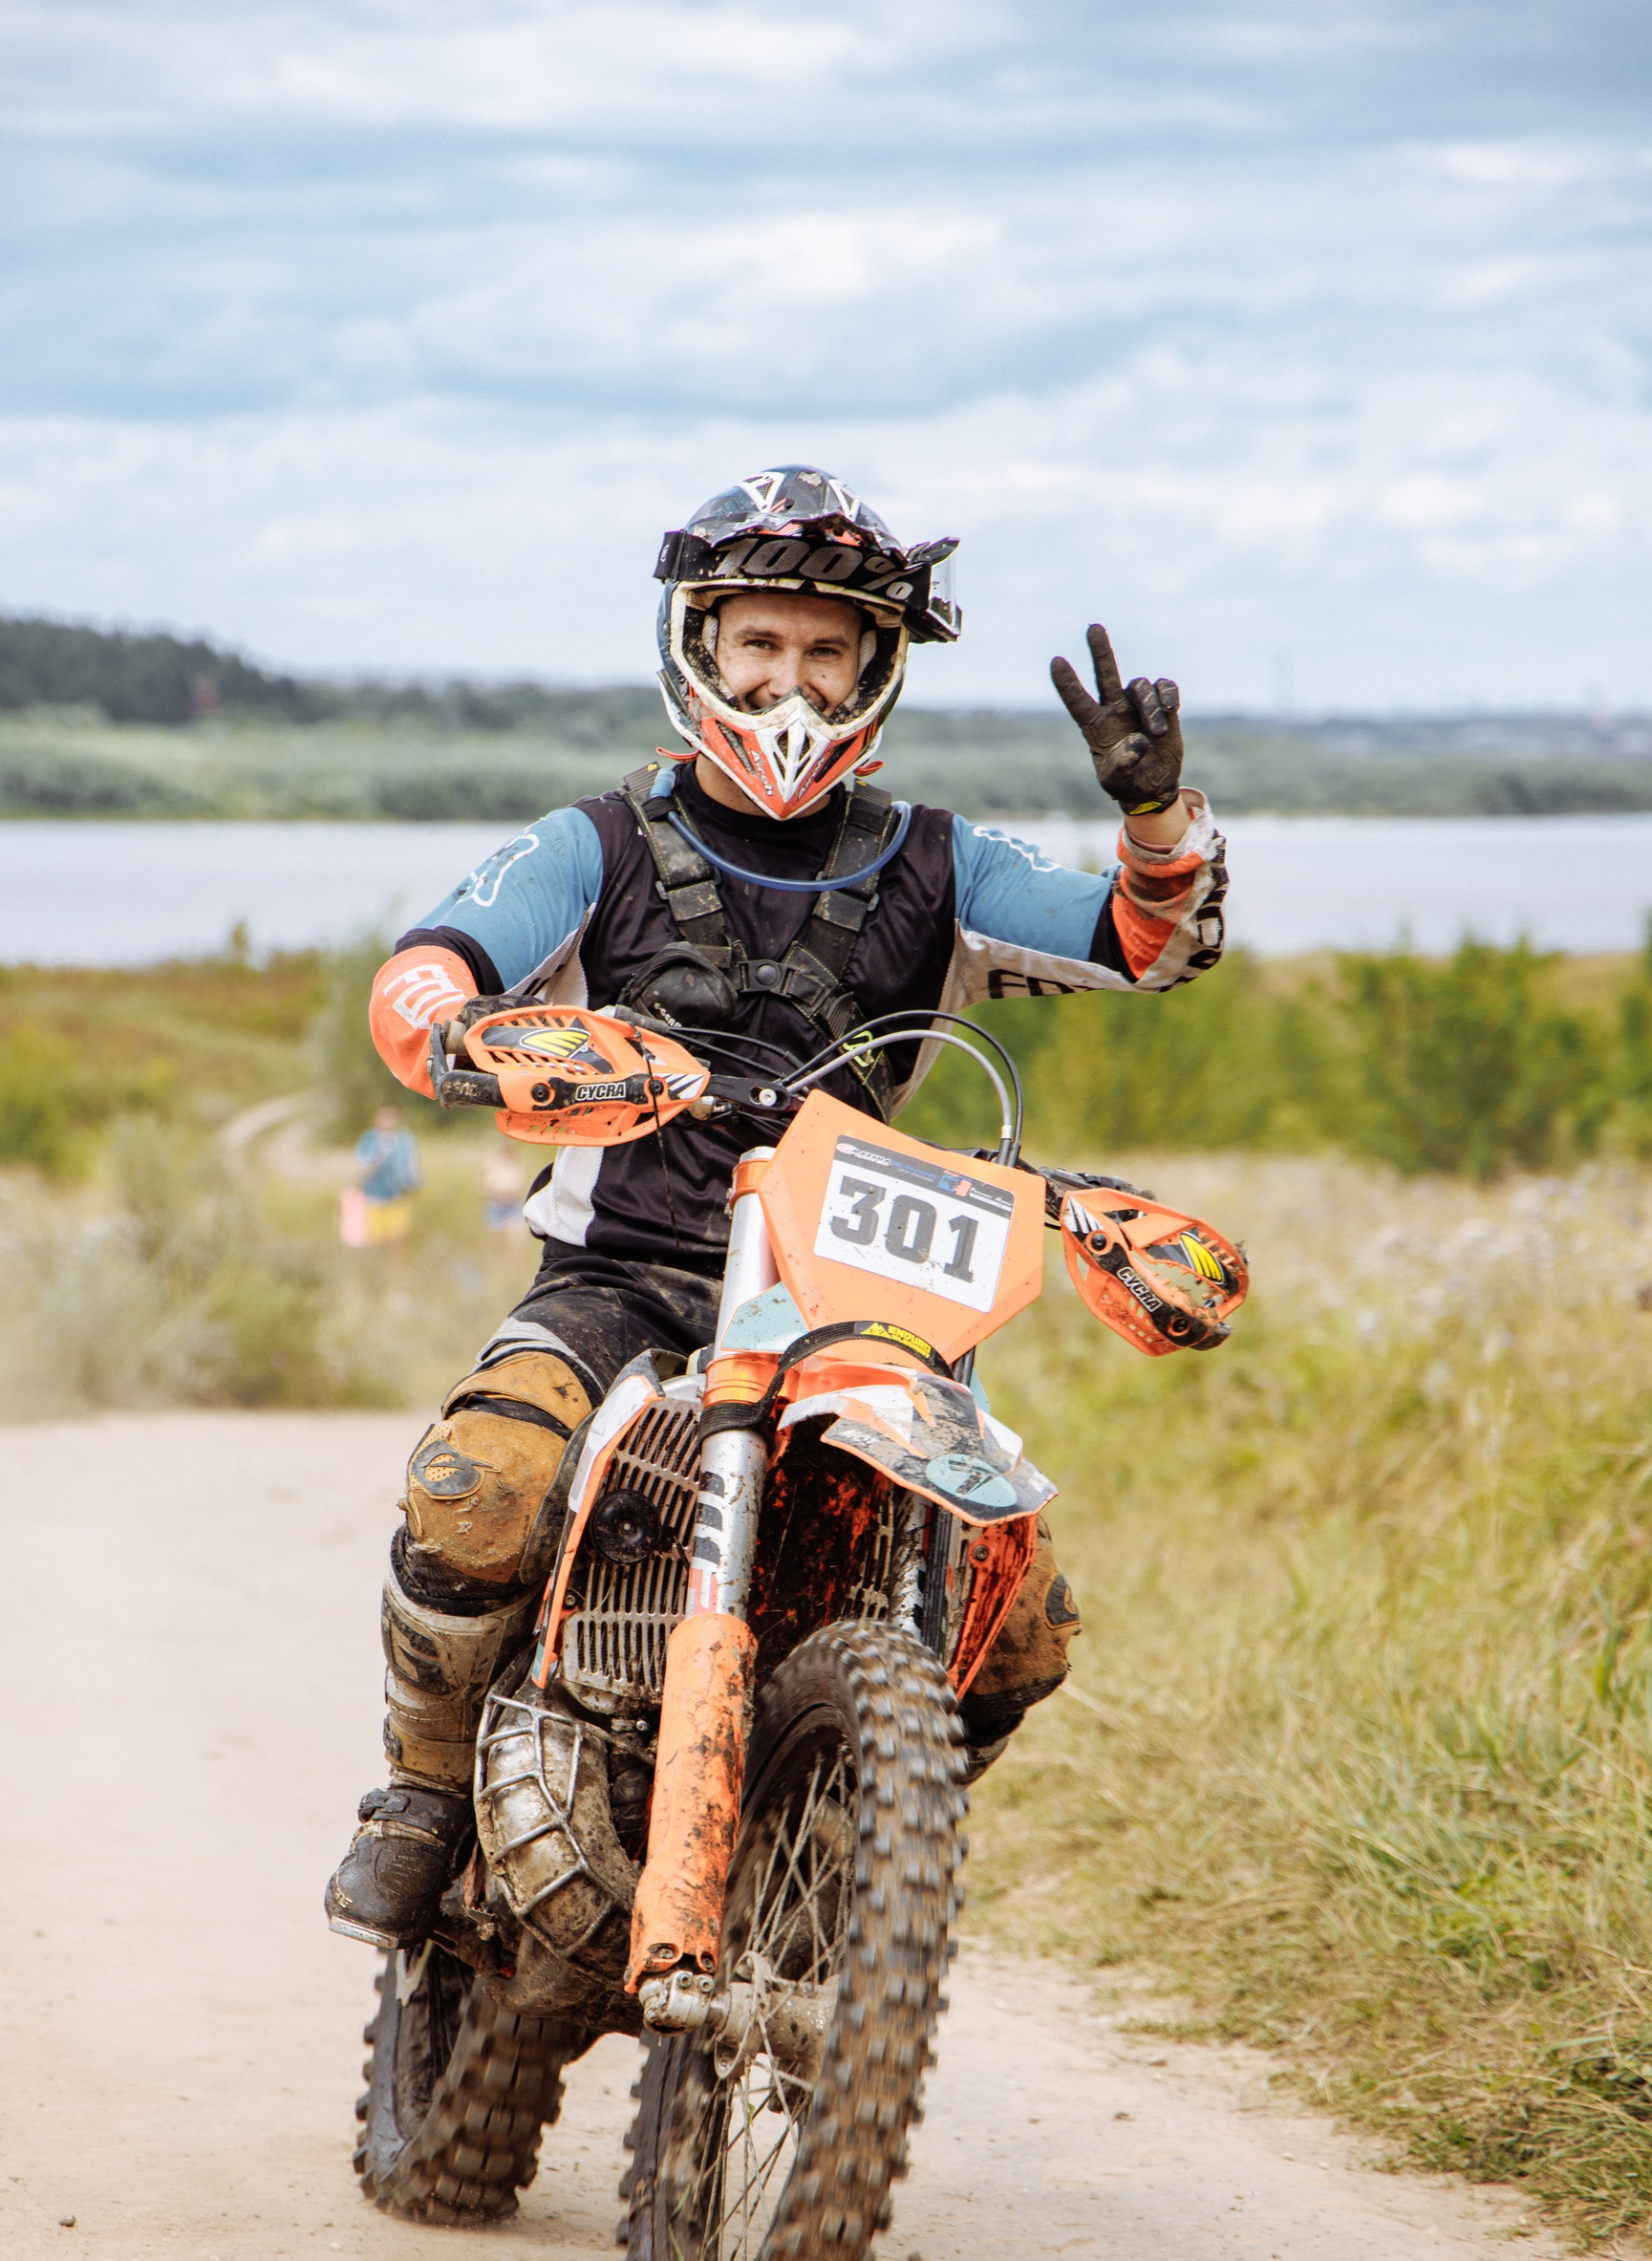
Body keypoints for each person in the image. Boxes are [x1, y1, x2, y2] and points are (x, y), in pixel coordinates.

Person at [325, 464, 1228, 1948]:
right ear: (702, 645)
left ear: (874, 666)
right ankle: (420, 1796)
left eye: (824, 647)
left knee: (1022, 1621)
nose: (788, 678)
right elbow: (423, 971)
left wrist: (1153, 814)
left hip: (848, 1294)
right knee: (479, 1483)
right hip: (622, 1273)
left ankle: (846, 1826)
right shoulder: (597, 842)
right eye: (759, 641)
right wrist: (469, 1034)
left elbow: (1148, 941)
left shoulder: (941, 859)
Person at [349, 1103, 419, 1247]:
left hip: (398, 1193)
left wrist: (413, 1183)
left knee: (398, 1233)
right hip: (374, 1193)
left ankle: (396, 1260)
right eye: (384, 1116)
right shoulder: (369, 1139)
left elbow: (412, 1163)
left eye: (392, 1116)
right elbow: (360, 1164)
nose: (388, 1120)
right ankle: (378, 1257)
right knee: (376, 1234)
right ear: (376, 1118)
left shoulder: (405, 1139)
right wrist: (370, 1167)